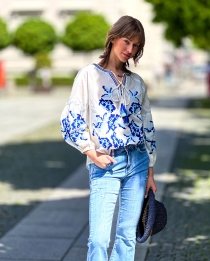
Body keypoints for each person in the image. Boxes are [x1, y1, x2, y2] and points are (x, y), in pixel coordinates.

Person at [60, 15, 157, 261]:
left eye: (136, 46)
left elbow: (147, 125)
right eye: (126, 41)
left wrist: (150, 174)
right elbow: (71, 117)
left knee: (126, 236)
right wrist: (91, 153)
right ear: (113, 38)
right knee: (99, 239)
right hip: (106, 163)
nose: (130, 50)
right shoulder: (89, 76)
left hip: (138, 162)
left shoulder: (137, 82)